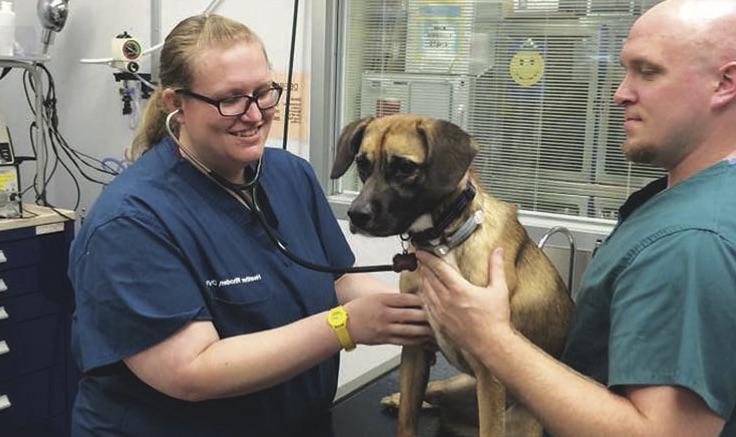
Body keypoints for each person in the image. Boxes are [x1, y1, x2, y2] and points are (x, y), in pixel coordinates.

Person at [68, 13, 431, 437]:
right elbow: (191, 371)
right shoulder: (130, 222)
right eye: (230, 98)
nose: (254, 114)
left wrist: (421, 312)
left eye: (263, 92)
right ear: (175, 104)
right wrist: (346, 326)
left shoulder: (289, 175)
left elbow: (336, 280)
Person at [417, 0, 736, 435]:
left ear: (725, 82)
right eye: (626, 70)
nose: (621, 92)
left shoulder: (689, 241)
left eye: (648, 71)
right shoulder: (700, 194)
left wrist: (488, 336)